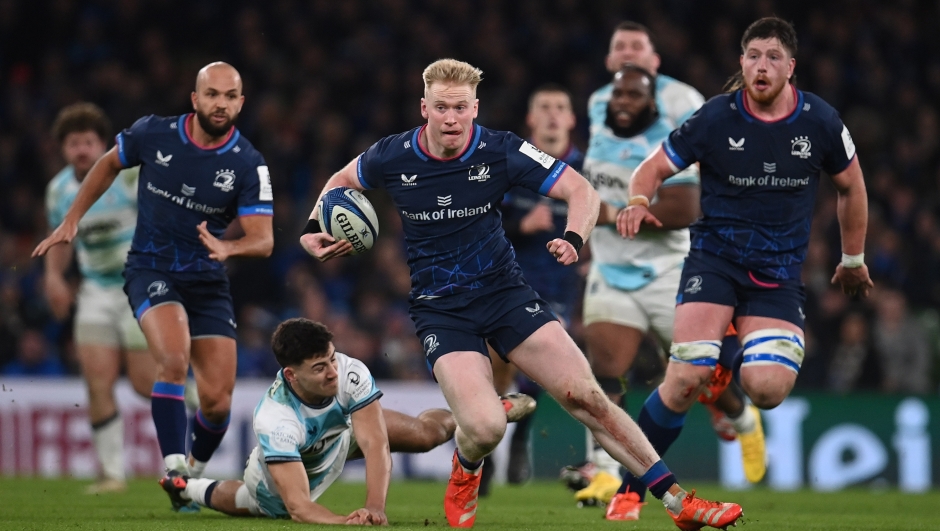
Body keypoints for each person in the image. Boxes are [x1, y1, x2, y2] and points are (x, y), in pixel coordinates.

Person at [299, 58, 742, 530]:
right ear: (424, 107)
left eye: (462, 107)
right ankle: (467, 464)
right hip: (442, 311)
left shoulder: (501, 150)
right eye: (442, 107)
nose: (452, 118)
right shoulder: (393, 155)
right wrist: (312, 229)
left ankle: (677, 502)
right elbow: (341, 182)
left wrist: (573, 237)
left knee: (588, 397)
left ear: (476, 108)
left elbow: (581, 191)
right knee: (486, 427)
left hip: (506, 295)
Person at [616, 16, 872, 518]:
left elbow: (852, 187)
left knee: (767, 390)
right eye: (753, 55)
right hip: (714, 262)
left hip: (777, 276)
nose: (762, 66)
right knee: (685, 376)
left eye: (773, 57)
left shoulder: (820, 121)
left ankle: (726, 358)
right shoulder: (714, 118)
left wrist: (853, 258)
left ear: (791, 67)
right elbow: (651, 168)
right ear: (741, 62)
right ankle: (628, 487)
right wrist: (639, 199)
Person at [33, 62, 275, 508]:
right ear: (195, 98)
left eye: (229, 96)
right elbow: (108, 165)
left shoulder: (248, 164)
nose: (220, 103)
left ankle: (191, 482)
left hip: (207, 281)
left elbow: (263, 240)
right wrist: (72, 221)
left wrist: (230, 249)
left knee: (218, 401)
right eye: (212, 94)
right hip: (151, 269)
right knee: (173, 359)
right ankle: (174, 465)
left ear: (240, 103)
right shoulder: (154, 133)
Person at [576, 21, 764, 510]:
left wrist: (615, 211)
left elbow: (686, 203)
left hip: (670, 266)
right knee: (606, 370)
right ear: (609, 62)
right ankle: (609, 470)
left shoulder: (684, 104)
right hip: (612, 266)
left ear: (655, 63)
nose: (628, 55)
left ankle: (740, 416)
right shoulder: (598, 103)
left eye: (638, 47)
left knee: (694, 378)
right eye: (619, 47)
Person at [160, 318, 480, 523]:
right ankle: (187, 488)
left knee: (425, 435)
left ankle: (474, 417)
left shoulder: (347, 370)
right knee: (257, 502)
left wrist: (374, 507)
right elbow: (299, 507)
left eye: (331, 358)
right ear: (291, 375)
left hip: (343, 437)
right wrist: (344, 521)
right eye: (319, 368)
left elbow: (375, 443)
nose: (332, 372)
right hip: (297, 467)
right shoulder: (275, 418)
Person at [42, 103, 157, 494]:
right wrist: (55, 277)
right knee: (97, 382)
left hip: (137, 287)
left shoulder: (126, 179)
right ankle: (112, 475)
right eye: (73, 143)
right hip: (94, 290)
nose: (81, 150)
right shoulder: (58, 191)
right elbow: (61, 238)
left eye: (88, 142)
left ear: (101, 144)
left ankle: (197, 401)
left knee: (145, 384)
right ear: (63, 149)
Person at [484, 84, 584, 488]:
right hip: (507, 280)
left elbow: (603, 216)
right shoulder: (512, 164)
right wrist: (520, 226)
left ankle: (521, 435)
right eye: (544, 107)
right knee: (500, 366)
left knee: (541, 364)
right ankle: (489, 447)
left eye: (561, 107)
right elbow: (480, 217)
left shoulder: (586, 169)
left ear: (572, 120)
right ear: (531, 119)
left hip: (559, 287)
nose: (552, 115)